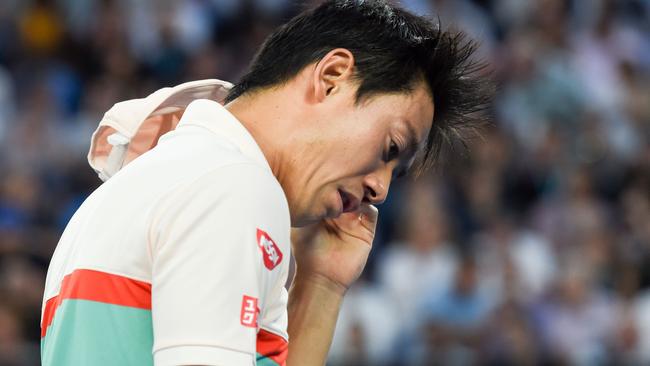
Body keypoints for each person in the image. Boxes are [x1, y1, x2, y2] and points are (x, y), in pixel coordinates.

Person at [40, 0, 490, 365]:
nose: (382, 189)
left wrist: (322, 286)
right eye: (391, 148)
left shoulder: (144, 184)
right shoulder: (234, 186)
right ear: (332, 78)